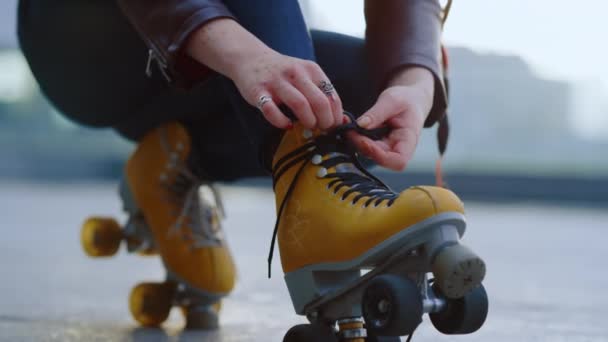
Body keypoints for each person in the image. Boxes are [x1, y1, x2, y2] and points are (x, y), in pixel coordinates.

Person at [17, 0, 474, 331]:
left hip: (181, 70)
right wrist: (245, 57)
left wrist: (414, 81)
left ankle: (174, 165)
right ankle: (311, 203)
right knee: (304, 81)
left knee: (361, 85)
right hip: (81, 42)